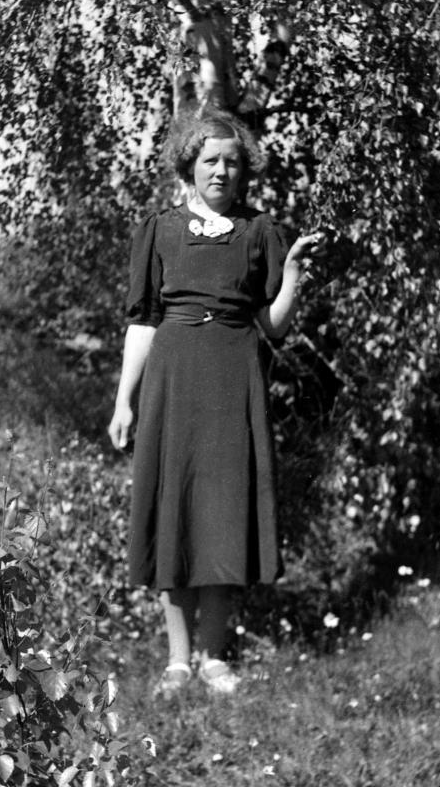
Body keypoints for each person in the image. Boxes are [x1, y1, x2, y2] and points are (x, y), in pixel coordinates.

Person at [108, 110, 325, 698]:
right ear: (190, 166)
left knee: (224, 514)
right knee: (173, 509)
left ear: (243, 169)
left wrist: (293, 275)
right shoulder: (159, 229)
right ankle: (178, 661)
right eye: (210, 160)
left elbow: (273, 326)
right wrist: (124, 401)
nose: (221, 171)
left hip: (234, 379)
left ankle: (215, 657)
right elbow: (143, 322)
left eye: (231, 161)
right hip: (172, 379)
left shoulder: (260, 231)